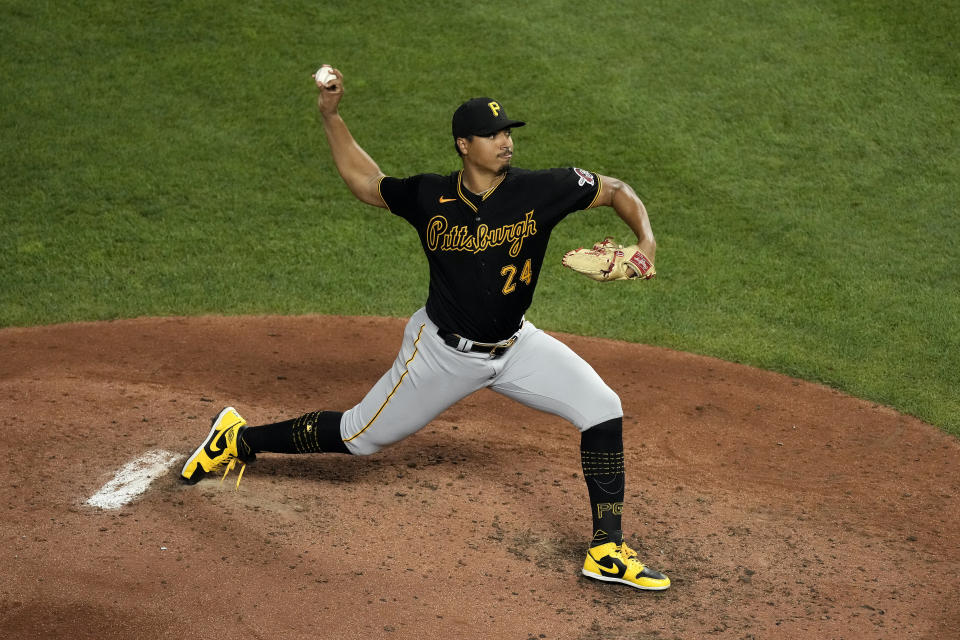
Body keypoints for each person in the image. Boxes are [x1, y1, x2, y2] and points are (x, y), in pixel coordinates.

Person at [181, 66, 669, 591]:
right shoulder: (429, 196)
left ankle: (606, 549)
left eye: (508, 133)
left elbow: (615, 188)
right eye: (493, 135)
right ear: (464, 144)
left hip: (516, 345)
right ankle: (238, 439)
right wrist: (332, 116)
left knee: (603, 408)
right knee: (358, 437)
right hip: (442, 354)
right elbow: (365, 183)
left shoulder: (541, 189)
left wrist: (645, 242)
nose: (506, 142)